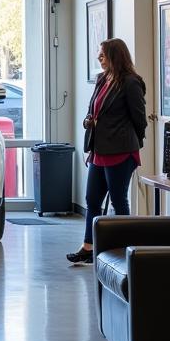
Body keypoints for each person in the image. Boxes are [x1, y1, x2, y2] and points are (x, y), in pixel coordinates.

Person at [68, 37, 147, 265]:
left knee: (118, 200)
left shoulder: (131, 82)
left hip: (121, 151)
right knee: (92, 199)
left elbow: (139, 119)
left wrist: (135, 143)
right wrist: (88, 121)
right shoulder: (102, 79)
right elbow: (93, 108)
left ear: (115, 56)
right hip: (99, 150)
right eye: (99, 54)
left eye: (103, 55)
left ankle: (124, 249)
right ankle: (88, 246)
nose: (99, 58)